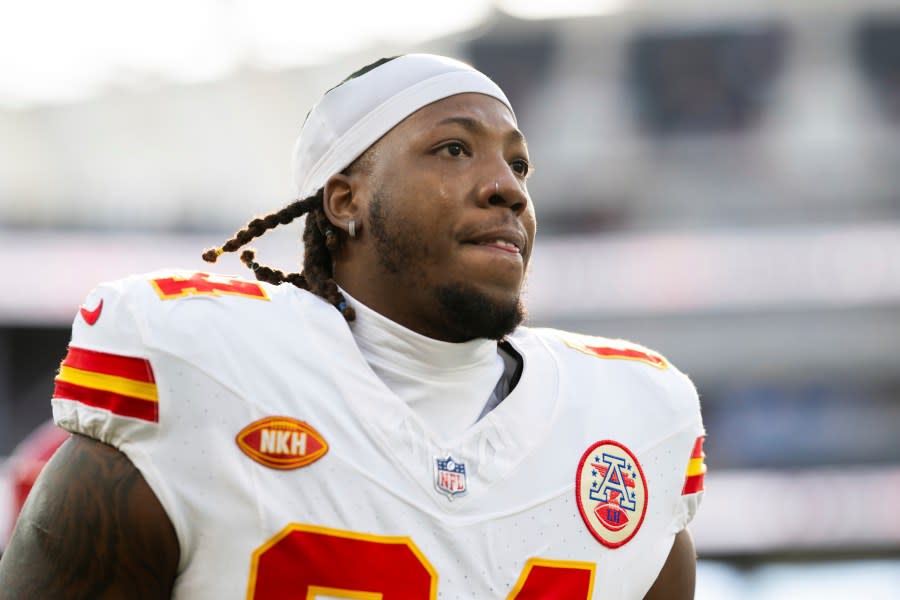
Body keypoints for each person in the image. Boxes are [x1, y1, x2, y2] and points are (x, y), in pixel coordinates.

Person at [0, 54, 706, 599]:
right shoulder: (201, 370)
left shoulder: (634, 420)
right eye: (454, 149)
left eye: (518, 163)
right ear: (344, 200)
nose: (508, 188)